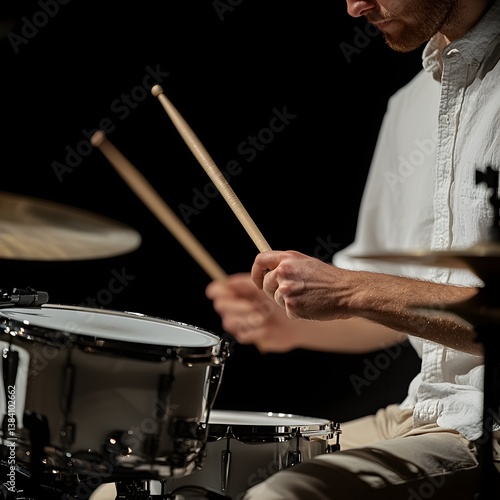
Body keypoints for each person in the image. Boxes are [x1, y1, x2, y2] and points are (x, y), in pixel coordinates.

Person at [205, 0, 500, 498]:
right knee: (148, 480)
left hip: (487, 428)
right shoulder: (410, 104)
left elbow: (368, 292)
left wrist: (351, 290)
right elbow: (389, 304)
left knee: (282, 495)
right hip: (421, 411)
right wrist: (281, 316)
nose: (355, 6)